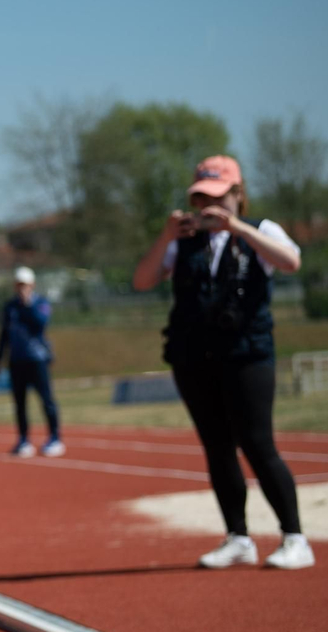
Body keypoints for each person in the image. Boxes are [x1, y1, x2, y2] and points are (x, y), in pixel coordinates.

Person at [132, 154, 313, 570]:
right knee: (217, 447)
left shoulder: (260, 230)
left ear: (238, 194)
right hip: (194, 356)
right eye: (199, 200)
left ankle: (295, 537)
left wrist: (238, 230)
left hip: (248, 354)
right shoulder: (182, 240)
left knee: (257, 442)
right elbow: (142, 281)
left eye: (216, 198)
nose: (207, 209)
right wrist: (165, 236)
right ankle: (238, 536)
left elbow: (290, 261)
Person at [0, 266, 64, 458]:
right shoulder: (9, 307)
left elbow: (40, 323)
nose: (21, 288)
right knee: (19, 403)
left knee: (46, 399)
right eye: (18, 284)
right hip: (16, 361)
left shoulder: (40, 303)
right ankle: (24, 439)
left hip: (37, 358)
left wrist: (28, 304)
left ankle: (55, 438)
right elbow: (3, 334)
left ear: (32, 285)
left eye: (24, 284)